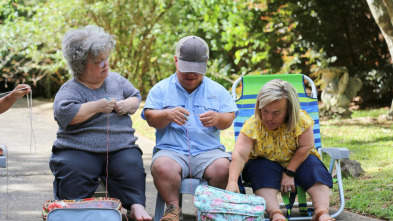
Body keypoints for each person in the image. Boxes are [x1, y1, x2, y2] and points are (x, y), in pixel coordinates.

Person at [49, 25, 151, 221]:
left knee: (131, 165)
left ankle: (136, 207)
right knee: (73, 170)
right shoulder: (70, 89)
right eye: (98, 62)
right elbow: (65, 115)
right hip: (77, 148)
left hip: (120, 147)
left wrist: (126, 105)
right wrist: (96, 106)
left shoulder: (117, 81)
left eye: (106, 59)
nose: (105, 64)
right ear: (80, 66)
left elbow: (135, 97)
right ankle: (75, 211)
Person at [142, 35, 239, 221]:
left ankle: (208, 210)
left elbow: (229, 118)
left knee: (225, 168)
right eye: (186, 69)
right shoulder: (161, 89)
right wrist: (167, 115)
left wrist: (218, 118)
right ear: (176, 60)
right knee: (161, 166)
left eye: (196, 70)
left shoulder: (216, 90)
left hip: (208, 152)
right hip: (172, 151)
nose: (191, 74)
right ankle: (172, 210)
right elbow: (150, 117)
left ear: (206, 64)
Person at [226, 79, 335, 221]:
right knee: (259, 170)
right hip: (265, 163)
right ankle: (276, 214)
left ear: (289, 110)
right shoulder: (253, 125)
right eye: (264, 111)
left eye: (276, 113)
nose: (268, 118)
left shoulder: (300, 121)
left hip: (299, 159)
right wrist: (232, 182)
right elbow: (240, 154)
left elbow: (305, 146)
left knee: (314, 167)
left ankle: (321, 212)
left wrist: (289, 172)